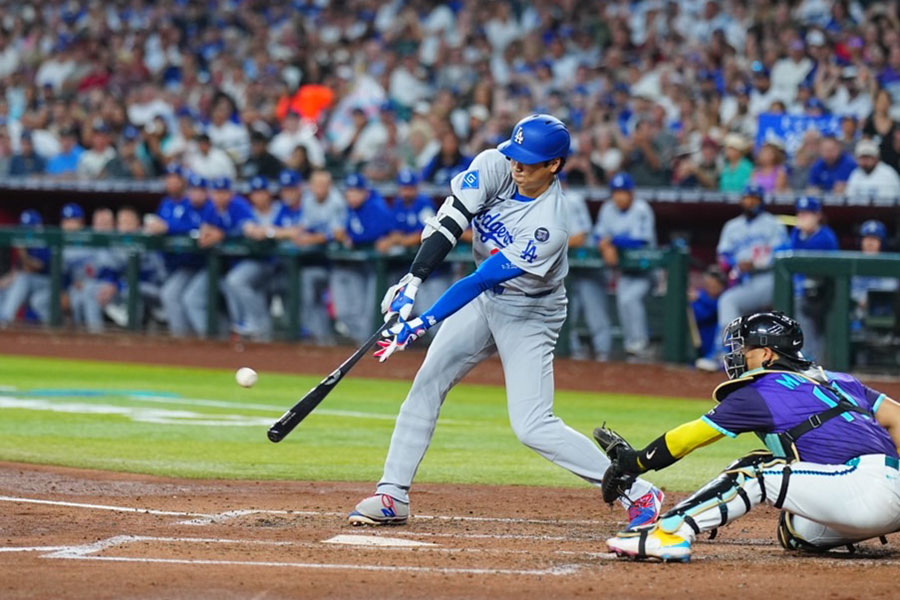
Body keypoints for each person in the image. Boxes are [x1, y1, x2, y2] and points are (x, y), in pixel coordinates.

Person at [348, 114, 664, 529]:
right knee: (427, 383)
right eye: (515, 155)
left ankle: (639, 492)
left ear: (554, 165)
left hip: (530, 312)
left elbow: (481, 279)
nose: (517, 166)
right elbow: (452, 219)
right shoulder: (494, 164)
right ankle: (393, 495)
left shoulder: (549, 224)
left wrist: (421, 322)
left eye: (529, 161)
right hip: (484, 304)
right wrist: (413, 278)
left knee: (532, 426)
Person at [603, 311, 900, 563]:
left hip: (864, 491)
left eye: (745, 349)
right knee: (797, 529)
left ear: (767, 354)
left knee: (755, 471)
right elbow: (896, 419)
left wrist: (636, 462)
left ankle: (668, 533)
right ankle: (873, 515)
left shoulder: (761, 390)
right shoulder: (840, 380)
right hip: (884, 492)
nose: (739, 355)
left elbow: (692, 436)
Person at [696, 185, 789, 372]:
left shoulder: (773, 224)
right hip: (741, 279)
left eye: (754, 198)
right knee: (728, 301)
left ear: (761, 201)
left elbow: (782, 253)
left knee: (728, 301)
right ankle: (733, 354)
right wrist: (735, 265)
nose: (749, 202)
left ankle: (726, 354)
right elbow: (723, 256)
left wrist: (755, 264)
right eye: (747, 198)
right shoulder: (732, 226)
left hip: (768, 279)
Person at [593, 172, 657, 359]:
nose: (619, 196)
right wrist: (605, 246)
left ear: (632, 193)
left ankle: (641, 342)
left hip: (647, 269)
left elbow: (640, 241)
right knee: (623, 299)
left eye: (623, 192)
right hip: (627, 271)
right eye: (616, 192)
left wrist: (612, 242)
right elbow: (598, 235)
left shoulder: (641, 209)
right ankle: (633, 344)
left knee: (630, 299)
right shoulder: (608, 208)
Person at [182, 177, 254, 336]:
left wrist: (223, 234)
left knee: (234, 285)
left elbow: (249, 230)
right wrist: (209, 234)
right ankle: (210, 340)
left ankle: (242, 332)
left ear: (230, 193)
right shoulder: (211, 208)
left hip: (242, 264)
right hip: (218, 267)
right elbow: (204, 235)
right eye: (216, 192)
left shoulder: (239, 206)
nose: (219, 196)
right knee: (192, 298)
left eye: (223, 192)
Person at [330, 173, 392, 343]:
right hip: (354, 266)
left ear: (365, 192)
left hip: (377, 268)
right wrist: (344, 236)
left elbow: (378, 233)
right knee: (346, 312)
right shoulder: (348, 209)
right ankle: (362, 343)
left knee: (368, 312)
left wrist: (351, 238)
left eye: (356, 191)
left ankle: (368, 344)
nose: (352, 195)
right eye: (349, 192)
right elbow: (336, 233)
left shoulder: (376, 207)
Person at [376, 170, 448, 313]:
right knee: (415, 311)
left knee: (434, 312)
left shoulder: (424, 203)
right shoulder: (398, 204)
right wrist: (397, 239)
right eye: (404, 188)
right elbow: (393, 232)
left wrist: (404, 239)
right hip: (410, 270)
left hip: (433, 270)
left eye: (410, 188)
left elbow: (429, 233)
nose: (406, 192)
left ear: (416, 188)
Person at [149, 171, 210, 337]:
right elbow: (169, 225)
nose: (196, 194)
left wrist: (169, 228)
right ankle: (181, 340)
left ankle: (207, 342)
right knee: (169, 294)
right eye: (194, 189)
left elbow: (195, 228)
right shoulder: (178, 205)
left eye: (200, 190)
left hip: (210, 265)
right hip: (186, 265)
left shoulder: (209, 207)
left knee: (191, 299)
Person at [222, 175, 283, 340]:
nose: (259, 196)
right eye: (255, 193)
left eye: (262, 192)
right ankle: (245, 324)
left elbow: (293, 230)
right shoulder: (248, 210)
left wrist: (271, 232)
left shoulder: (279, 209)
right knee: (231, 282)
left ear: (268, 194)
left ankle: (260, 326)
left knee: (237, 280)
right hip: (253, 260)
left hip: (276, 263)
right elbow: (248, 230)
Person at [294, 169, 347, 343]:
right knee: (308, 295)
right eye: (317, 184)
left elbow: (337, 234)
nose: (320, 188)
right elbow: (303, 228)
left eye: (324, 185)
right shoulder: (308, 200)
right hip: (316, 261)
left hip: (340, 262)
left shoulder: (337, 202)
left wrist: (310, 239)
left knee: (345, 309)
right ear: (310, 185)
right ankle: (322, 339)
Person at [790, 196, 839, 363]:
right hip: (803, 289)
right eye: (801, 213)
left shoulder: (826, 236)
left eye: (808, 213)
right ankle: (805, 358)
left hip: (825, 292)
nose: (803, 217)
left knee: (817, 329)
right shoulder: (797, 233)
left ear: (818, 215)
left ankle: (816, 362)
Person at [0, 210, 51, 326]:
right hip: (31, 285)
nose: (27, 231)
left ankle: (5, 318)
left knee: (24, 279)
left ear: (38, 227)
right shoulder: (27, 243)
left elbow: (36, 267)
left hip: (49, 285)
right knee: (3, 289)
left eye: (30, 228)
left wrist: (22, 253)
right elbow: (17, 272)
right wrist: (3, 283)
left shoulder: (45, 242)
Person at [690, 266, 727, 361]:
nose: (711, 287)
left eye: (715, 285)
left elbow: (706, 313)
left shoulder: (725, 299)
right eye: (709, 285)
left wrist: (699, 297)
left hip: (714, 341)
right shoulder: (702, 295)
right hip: (699, 341)